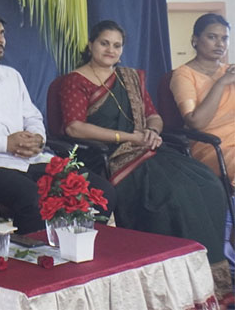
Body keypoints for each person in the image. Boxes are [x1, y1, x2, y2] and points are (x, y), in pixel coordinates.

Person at [58, 20, 229, 295]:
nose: (110, 50)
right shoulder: (75, 81)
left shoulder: (129, 79)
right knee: (172, 195)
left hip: (145, 149)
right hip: (106, 157)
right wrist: (128, 137)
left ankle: (209, 277)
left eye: (117, 45)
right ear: (91, 45)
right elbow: (74, 128)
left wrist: (151, 132)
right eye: (104, 43)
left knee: (208, 183)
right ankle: (172, 280)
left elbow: (153, 116)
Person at [0, 10, 116, 234]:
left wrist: (37, 138)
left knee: (101, 191)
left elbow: (33, 117)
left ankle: (78, 246)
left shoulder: (12, 76)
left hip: (31, 158)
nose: (0, 39)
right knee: (34, 200)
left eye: (2, 33)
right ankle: (30, 253)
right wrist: (5, 143)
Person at [170, 13, 235, 185]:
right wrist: (221, 83)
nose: (220, 44)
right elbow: (195, 122)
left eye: (224, 38)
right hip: (212, 146)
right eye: (212, 37)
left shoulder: (230, 71)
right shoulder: (183, 75)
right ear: (195, 40)